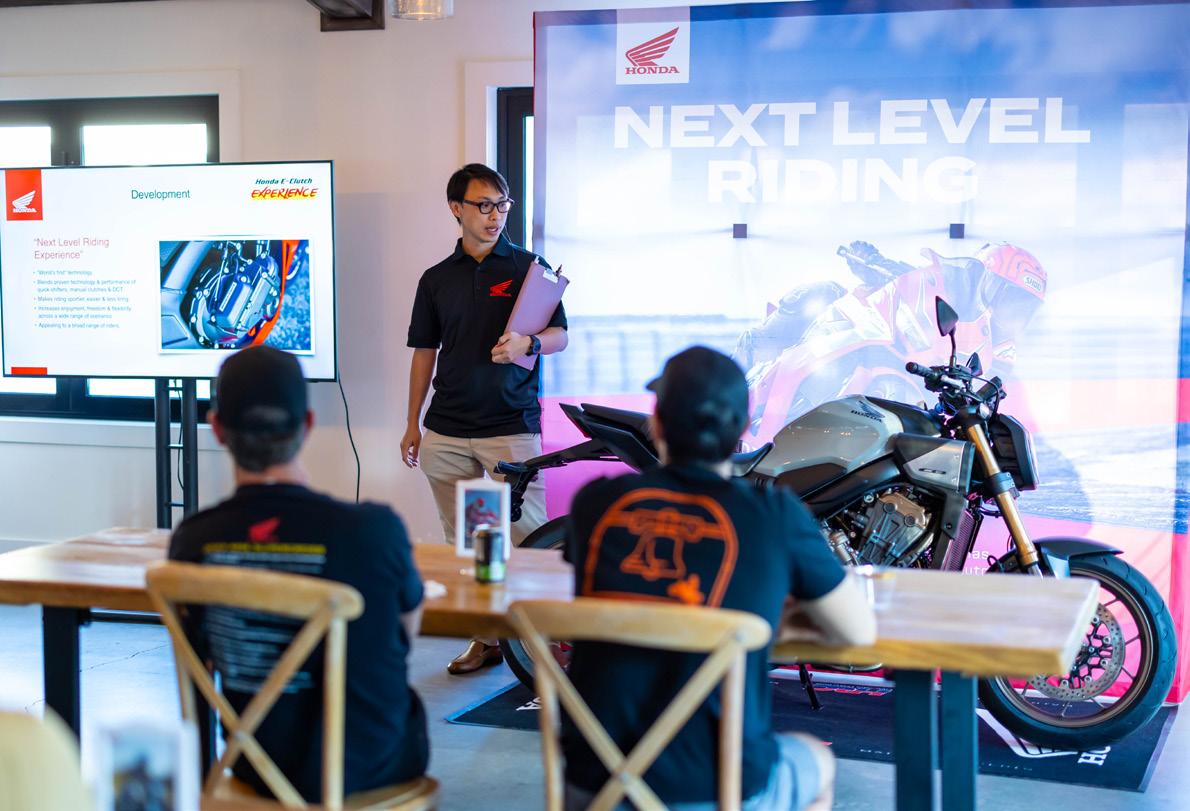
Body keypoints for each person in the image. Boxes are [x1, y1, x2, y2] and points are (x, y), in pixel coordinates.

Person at [563, 346, 877, 811]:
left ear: (658, 424)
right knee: (816, 759)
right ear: (742, 429)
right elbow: (859, 633)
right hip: (718, 786)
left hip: (594, 788)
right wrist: (767, 619)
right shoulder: (775, 515)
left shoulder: (597, 504)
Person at [169, 346, 428, 802]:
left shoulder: (193, 541)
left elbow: (201, 661)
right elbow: (404, 636)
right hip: (371, 765)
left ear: (217, 429)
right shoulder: (374, 531)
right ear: (307, 424)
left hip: (256, 763)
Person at [402, 162, 568, 674]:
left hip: (510, 429)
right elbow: (424, 352)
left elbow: (560, 336)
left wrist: (528, 344)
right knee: (470, 544)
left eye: (502, 205)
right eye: (484, 205)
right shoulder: (436, 279)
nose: (495, 215)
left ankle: (547, 642)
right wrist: (412, 423)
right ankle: (487, 639)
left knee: (529, 540)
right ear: (457, 209)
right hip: (447, 430)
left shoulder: (529, 268)